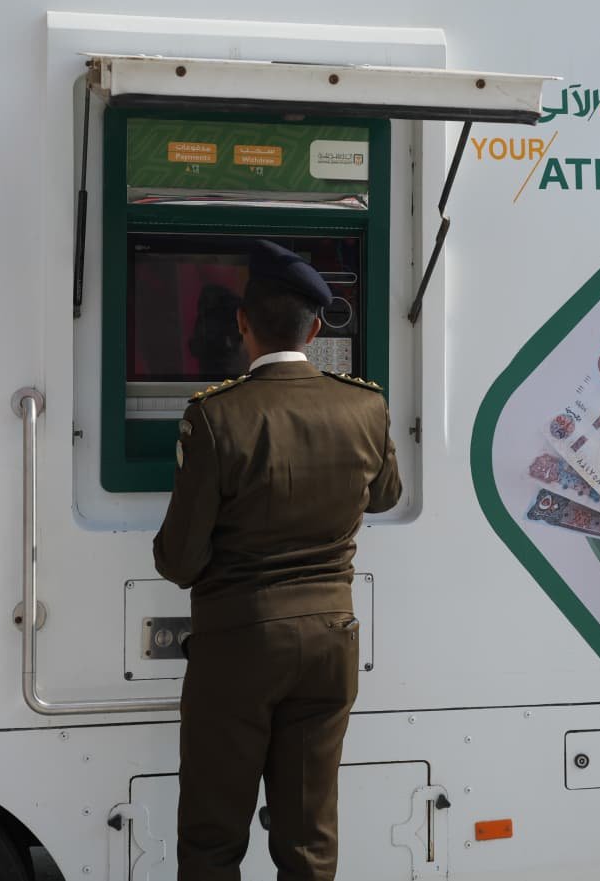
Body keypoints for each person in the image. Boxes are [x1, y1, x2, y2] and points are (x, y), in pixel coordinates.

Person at [153, 239, 402, 881]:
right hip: (331, 640)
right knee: (309, 841)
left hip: (239, 643)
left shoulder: (215, 415)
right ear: (315, 330)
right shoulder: (366, 405)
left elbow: (179, 560)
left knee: (212, 839)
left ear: (243, 323)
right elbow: (386, 495)